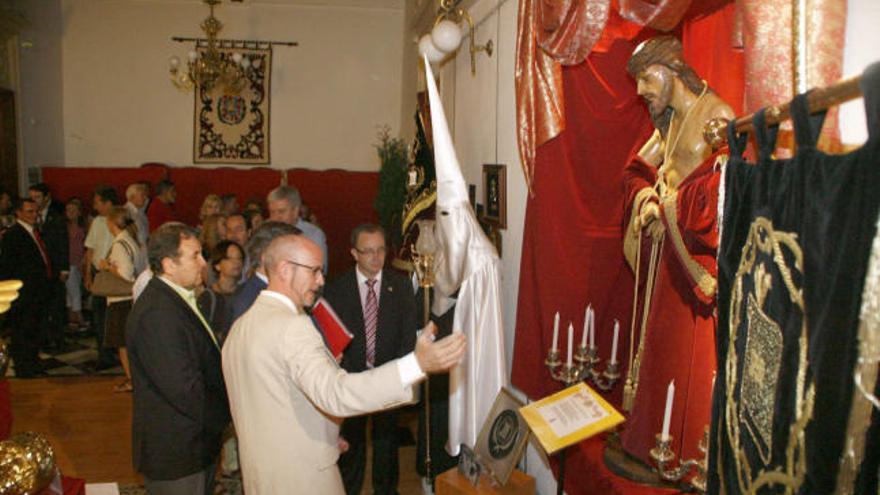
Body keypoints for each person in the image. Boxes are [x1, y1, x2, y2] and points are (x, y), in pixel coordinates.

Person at [222, 233, 466, 494]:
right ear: (284, 269)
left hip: (262, 475)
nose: (320, 280)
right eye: (314, 271)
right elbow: (336, 393)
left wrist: (323, 434)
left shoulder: (241, 325)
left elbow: (270, 400)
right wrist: (416, 364)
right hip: (304, 478)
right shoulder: (293, 327)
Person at [619, 35, 734, 468]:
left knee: (684, 361)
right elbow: (637, 167)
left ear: (671, 70)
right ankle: (651, 439)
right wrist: (646, 196)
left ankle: (685, 453)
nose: (641, 91)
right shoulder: (666, 121)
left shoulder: (716, 117)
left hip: (693, 264)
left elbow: (724, 193)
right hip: (665, 256)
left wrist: (669, 204)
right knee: (657, 357)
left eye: (647, 79)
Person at [126, 222, 229, 494]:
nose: (204, 263)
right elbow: (184, 391)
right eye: (195, 256)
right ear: (169, 265)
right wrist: (230, 414)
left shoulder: (176, 299)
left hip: (194, 443)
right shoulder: (157, 314)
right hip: (177, 452)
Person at [323, 224, 417, 495]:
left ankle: (386, 490)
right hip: (351, 378)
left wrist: (400, 375)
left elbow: (406, 336)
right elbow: (331, 339)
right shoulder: (336, 290)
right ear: (354, 253)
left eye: (381, 250)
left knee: (386, 442)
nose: (376, 258)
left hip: (387, 376)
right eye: (368, 252)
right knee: (352, 444)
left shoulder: (399, 286)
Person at [0, 198, 53, 377]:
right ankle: (24, 367)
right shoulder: (13, 235)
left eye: (35, 211)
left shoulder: (34, 232)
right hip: (24, 294)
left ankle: (32, 362)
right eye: (29, 211)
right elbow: (8, 267)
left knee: (34, 330)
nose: (34, 215)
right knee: (23, 331)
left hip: (37, 293)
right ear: (19, 213)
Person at [99, 206, 147, 393]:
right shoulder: (133, 240)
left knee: (123, 344)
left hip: (121, 299)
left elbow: (126, 274)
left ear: (112, 223)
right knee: (131, 343)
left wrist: (107, 266)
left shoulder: (120, 244)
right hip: (133, 298)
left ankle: (131, 380)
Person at [229, 221, 299, 322]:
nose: (299, 260)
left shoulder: (259, 290)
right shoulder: (250, 300)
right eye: (293, 253)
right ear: (267, 257)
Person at [28, 182, 69, 352]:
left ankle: (58, 338)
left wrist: (64, 268)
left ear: (47, 197)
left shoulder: (56, 215)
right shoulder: (30, 216)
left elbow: (62, 243)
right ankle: (43, 337)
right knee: (41, 304)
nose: (34, 201)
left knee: (57, 303)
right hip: (38, 269)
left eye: (37, 197)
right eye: (32, 198)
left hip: (55, 265)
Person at [84, 185, 120, 367]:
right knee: (99, 316)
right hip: (99, 272)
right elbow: (90, 250)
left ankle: (117, 353)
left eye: (98, 202)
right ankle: (104, 354)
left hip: (116, 274)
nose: (95, 206)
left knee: (115, 316)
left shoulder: (122, 219)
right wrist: (87, 276)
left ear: (108, 203)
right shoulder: (97, 221)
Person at [266, 185, 327, 273]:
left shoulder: (313, 235)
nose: (275, 217)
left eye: (281, 211)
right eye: (272, 212)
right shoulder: (264, 232)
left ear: (295, 211)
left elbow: (318, 270)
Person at [197, 240, 243, 346]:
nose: (236, 263)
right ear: (217, 265)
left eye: (239, 258)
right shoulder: (208, 298)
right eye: (229, 258)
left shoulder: (245, 294)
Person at [64, 198, 88, 329]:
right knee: (73, 291)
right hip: (69, 263)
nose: (70, 212)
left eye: (73, 210)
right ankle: (78, 317)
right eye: (68, 210)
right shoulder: (64, 228)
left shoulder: (82, 228)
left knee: (73, 291)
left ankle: (72, 318)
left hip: (79, 262)